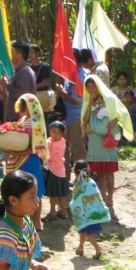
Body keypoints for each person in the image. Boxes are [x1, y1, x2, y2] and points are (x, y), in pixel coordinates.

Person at [82, 75, 133, 207]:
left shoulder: (109, 98)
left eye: (93, 86)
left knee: (109, 172)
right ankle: (102, 196)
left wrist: (114, 121)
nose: (91, 89)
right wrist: (89, 103)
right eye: (88, 87)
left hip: (107, 139)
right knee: (100, 173)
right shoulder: (87, 100)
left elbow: (121, 113)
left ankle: (110, 197)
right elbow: (85, 120)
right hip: (94, 141)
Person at [6, 94, 48, 230]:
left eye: (26, 106)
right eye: (22, 105)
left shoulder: (36, 123)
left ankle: (36, 222)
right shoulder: (23, 119)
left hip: (30, 160)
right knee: (22, 192)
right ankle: (25, 221)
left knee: (35, 193)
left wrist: (18, 153)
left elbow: (36, 148)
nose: (24, 108)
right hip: (21, 160)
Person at [55, 50, 87, 178]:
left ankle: (83, 177)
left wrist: (63, 93)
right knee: (64, 147)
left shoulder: (81, 76)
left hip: (76, 117)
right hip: (67, 117)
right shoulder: (70, 75)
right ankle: (65, 176)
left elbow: (78, 100)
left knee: (78, 148)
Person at [70, 160, 109, 259]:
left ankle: (98, 249)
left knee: (87, 232)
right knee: (82, 230)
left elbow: (76, 199)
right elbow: (96, 195)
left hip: (84, 213)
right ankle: (80, 248)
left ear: (75, 172)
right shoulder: (91, 182)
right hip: (92, 211)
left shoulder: (78, 185)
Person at [0, 41, 37, 122]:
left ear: (19, 54)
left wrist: (7, 85)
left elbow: (23, 94)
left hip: (21, 119)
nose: (10, 54)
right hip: (17, 119)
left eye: (12, 52)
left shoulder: (24, 72)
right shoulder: (19, 72)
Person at [44, 122, 69, 221]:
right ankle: (62, 211)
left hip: (55, 171)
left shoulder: (59, 143)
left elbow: (49, 155)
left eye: (58, 132)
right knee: (60, 193)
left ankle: (54, 212)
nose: (55, 134)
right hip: (59, 171)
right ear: (49, 131)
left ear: (62, 134)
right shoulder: (58, 141)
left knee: (54, 194)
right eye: (53, 131)